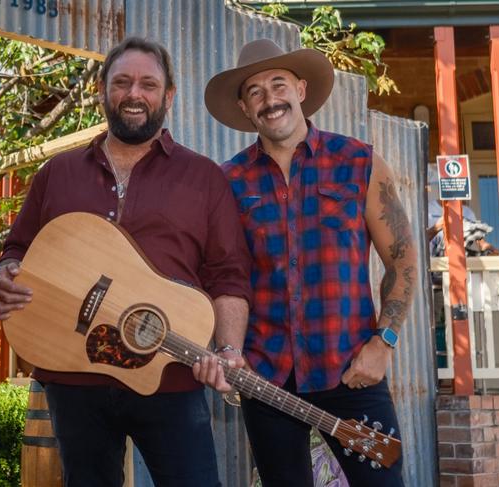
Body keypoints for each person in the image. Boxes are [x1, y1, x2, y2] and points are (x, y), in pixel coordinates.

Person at [0, 37, 251, 487]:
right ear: (102, 90)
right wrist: (4, 274)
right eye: (122, 82)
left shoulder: (204, 177)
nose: (135, 93)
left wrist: (227, 350)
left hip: (171, 374)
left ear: (168, 95)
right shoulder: (57, 172)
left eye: (148, 84)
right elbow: (18, 249)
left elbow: (228, 274)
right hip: (73, 375)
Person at [198, 39, 417, 486]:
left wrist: (385, 342)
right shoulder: (227, 181)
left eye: (278, 84)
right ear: (244, 107)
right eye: (254, 91)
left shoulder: (359, 162)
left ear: (299, 89)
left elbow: (403, 259)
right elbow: (221, 276)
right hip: (268, 376)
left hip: (352, 368)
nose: (269, 99)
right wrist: (226, 348)